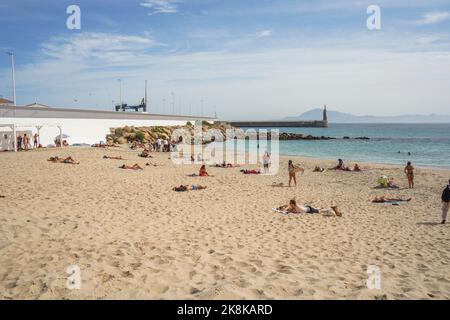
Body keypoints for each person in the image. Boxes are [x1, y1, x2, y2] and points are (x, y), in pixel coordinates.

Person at [277, 199, 342, 217]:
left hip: (310, 210)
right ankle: (332, 208)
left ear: (293, 204)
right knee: (319, 209)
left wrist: (284, 210)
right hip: (307, 208)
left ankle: (332, 208)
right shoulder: (295, 205)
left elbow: (290, 208)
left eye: (291, 203)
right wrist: (282, 207)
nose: (290, 204)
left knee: (320, 211)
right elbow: (289, 206)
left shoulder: (296, 206)